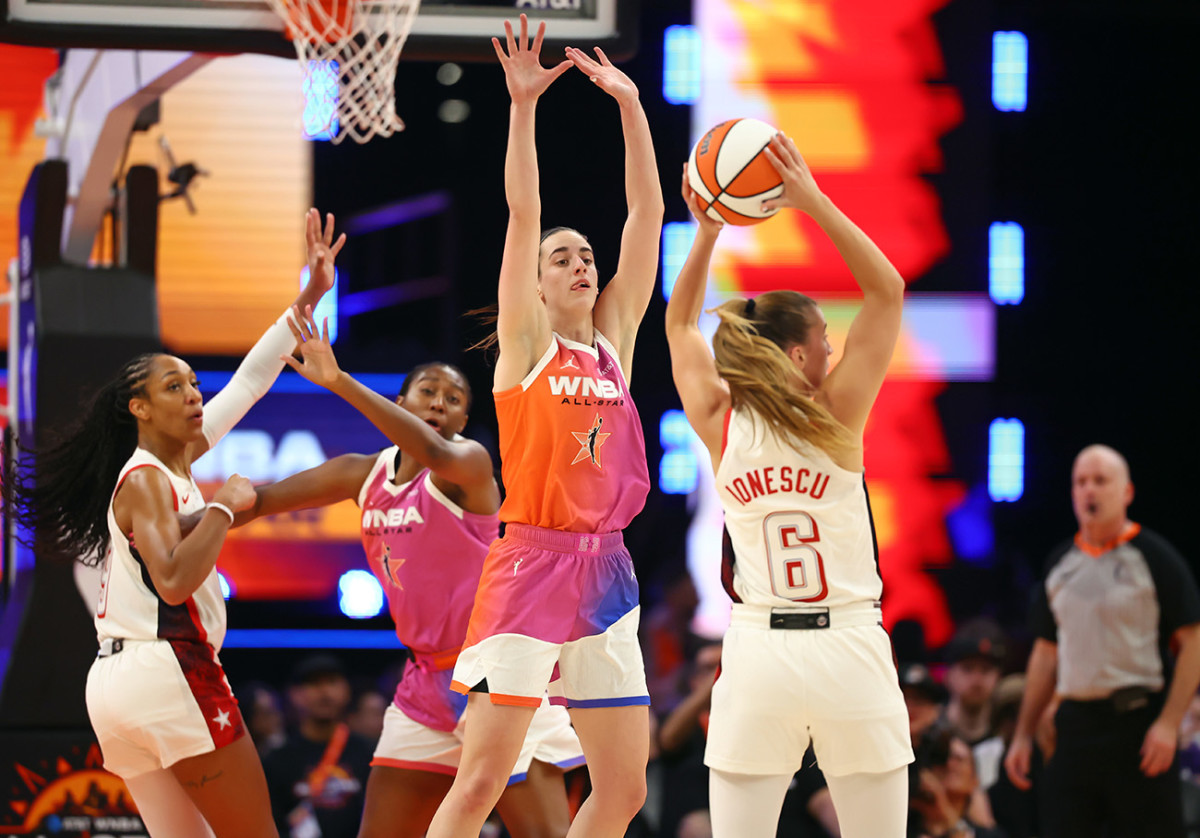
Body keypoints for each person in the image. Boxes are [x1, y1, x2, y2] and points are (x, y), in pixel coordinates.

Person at [7, 208, 341, 837]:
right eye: (173, 387)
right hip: (169, 669)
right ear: (139, 408)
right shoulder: (146, 479)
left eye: (191, 382)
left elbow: (251, 379)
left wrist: (313, 292)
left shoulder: (170, 463)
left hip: (114, 684)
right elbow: (173, 582)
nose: (193, 394)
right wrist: (223, 507)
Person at [424, 15, 664, 838]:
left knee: (624, 788)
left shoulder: (615, 343)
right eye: (562, 258)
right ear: (534, 284)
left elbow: (646, 215)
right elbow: (520, 210)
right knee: (483, 777)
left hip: (607, 572)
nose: (581, 262)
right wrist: (523, 106)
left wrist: (632, 107)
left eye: (585, 255)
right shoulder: (528, 348)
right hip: (529, 564)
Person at [237, 313, 584, 838]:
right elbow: (259, 502)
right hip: (425, 684)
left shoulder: (468, 465)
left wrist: (339, 381)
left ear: (464, 420)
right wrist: (196, 519)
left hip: (500, 676)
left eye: (454, 397)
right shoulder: (362, 473)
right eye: (428, 391)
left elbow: (434, 451)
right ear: (402, 404)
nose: (440, 402)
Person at [664, 135, 912, 838]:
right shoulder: (838, 417)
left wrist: (708, 228)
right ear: (799, 352)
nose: (834, 354)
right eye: (825, 345)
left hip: (761, 654)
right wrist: (809, 199)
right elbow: (887, 290)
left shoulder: (720, 420)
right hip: (849, 646)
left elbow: (680, 323)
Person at [1003, 444, 1200, 838]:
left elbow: (1194, 643)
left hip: (1140, 724)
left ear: (1126, 492)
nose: (1089, 490)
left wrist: (1168, 722)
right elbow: (1045, 654)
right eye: (1080, 482)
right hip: (1074, 726)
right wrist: (1023, 734)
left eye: (1100, 481)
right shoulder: (1060, 564)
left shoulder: (1154, 558)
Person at [264, 655, 373, 838]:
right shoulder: (276, 760)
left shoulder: (370, 753)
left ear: (346, 691)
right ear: (295, 694)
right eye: (314, 684)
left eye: (332, 682)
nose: (325, 692)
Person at [941, 619, 1007, 746]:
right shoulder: (929, 734)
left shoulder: (1008, 738)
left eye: (986, 670)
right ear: (948, 676)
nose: (977, 679)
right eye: (967, 668)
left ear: (999, 677)